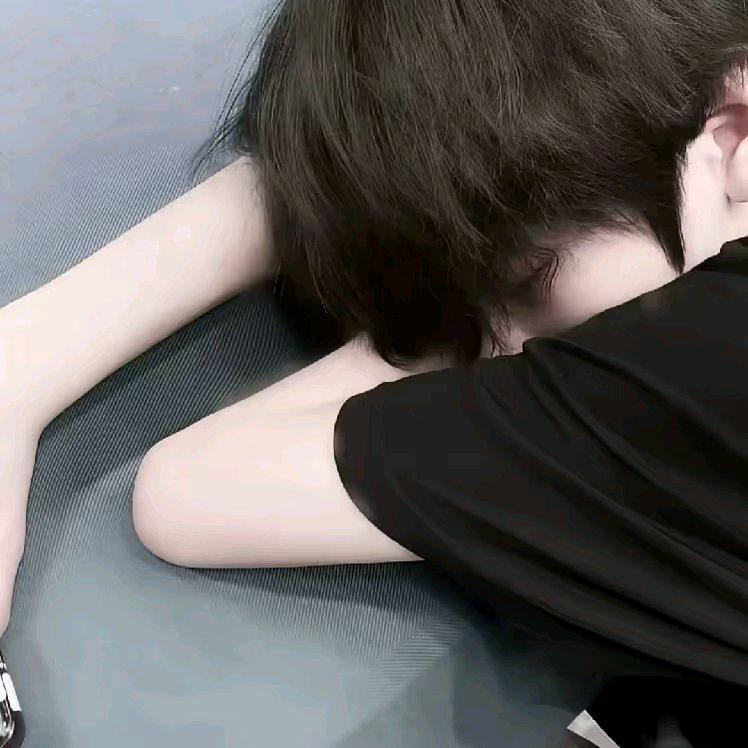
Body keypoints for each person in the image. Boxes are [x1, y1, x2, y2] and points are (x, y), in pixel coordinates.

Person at [1, 0, 747, 728]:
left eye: (525, 283)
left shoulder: (696, 356)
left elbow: (190, 493)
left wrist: (31, 357)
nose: (498, 350)